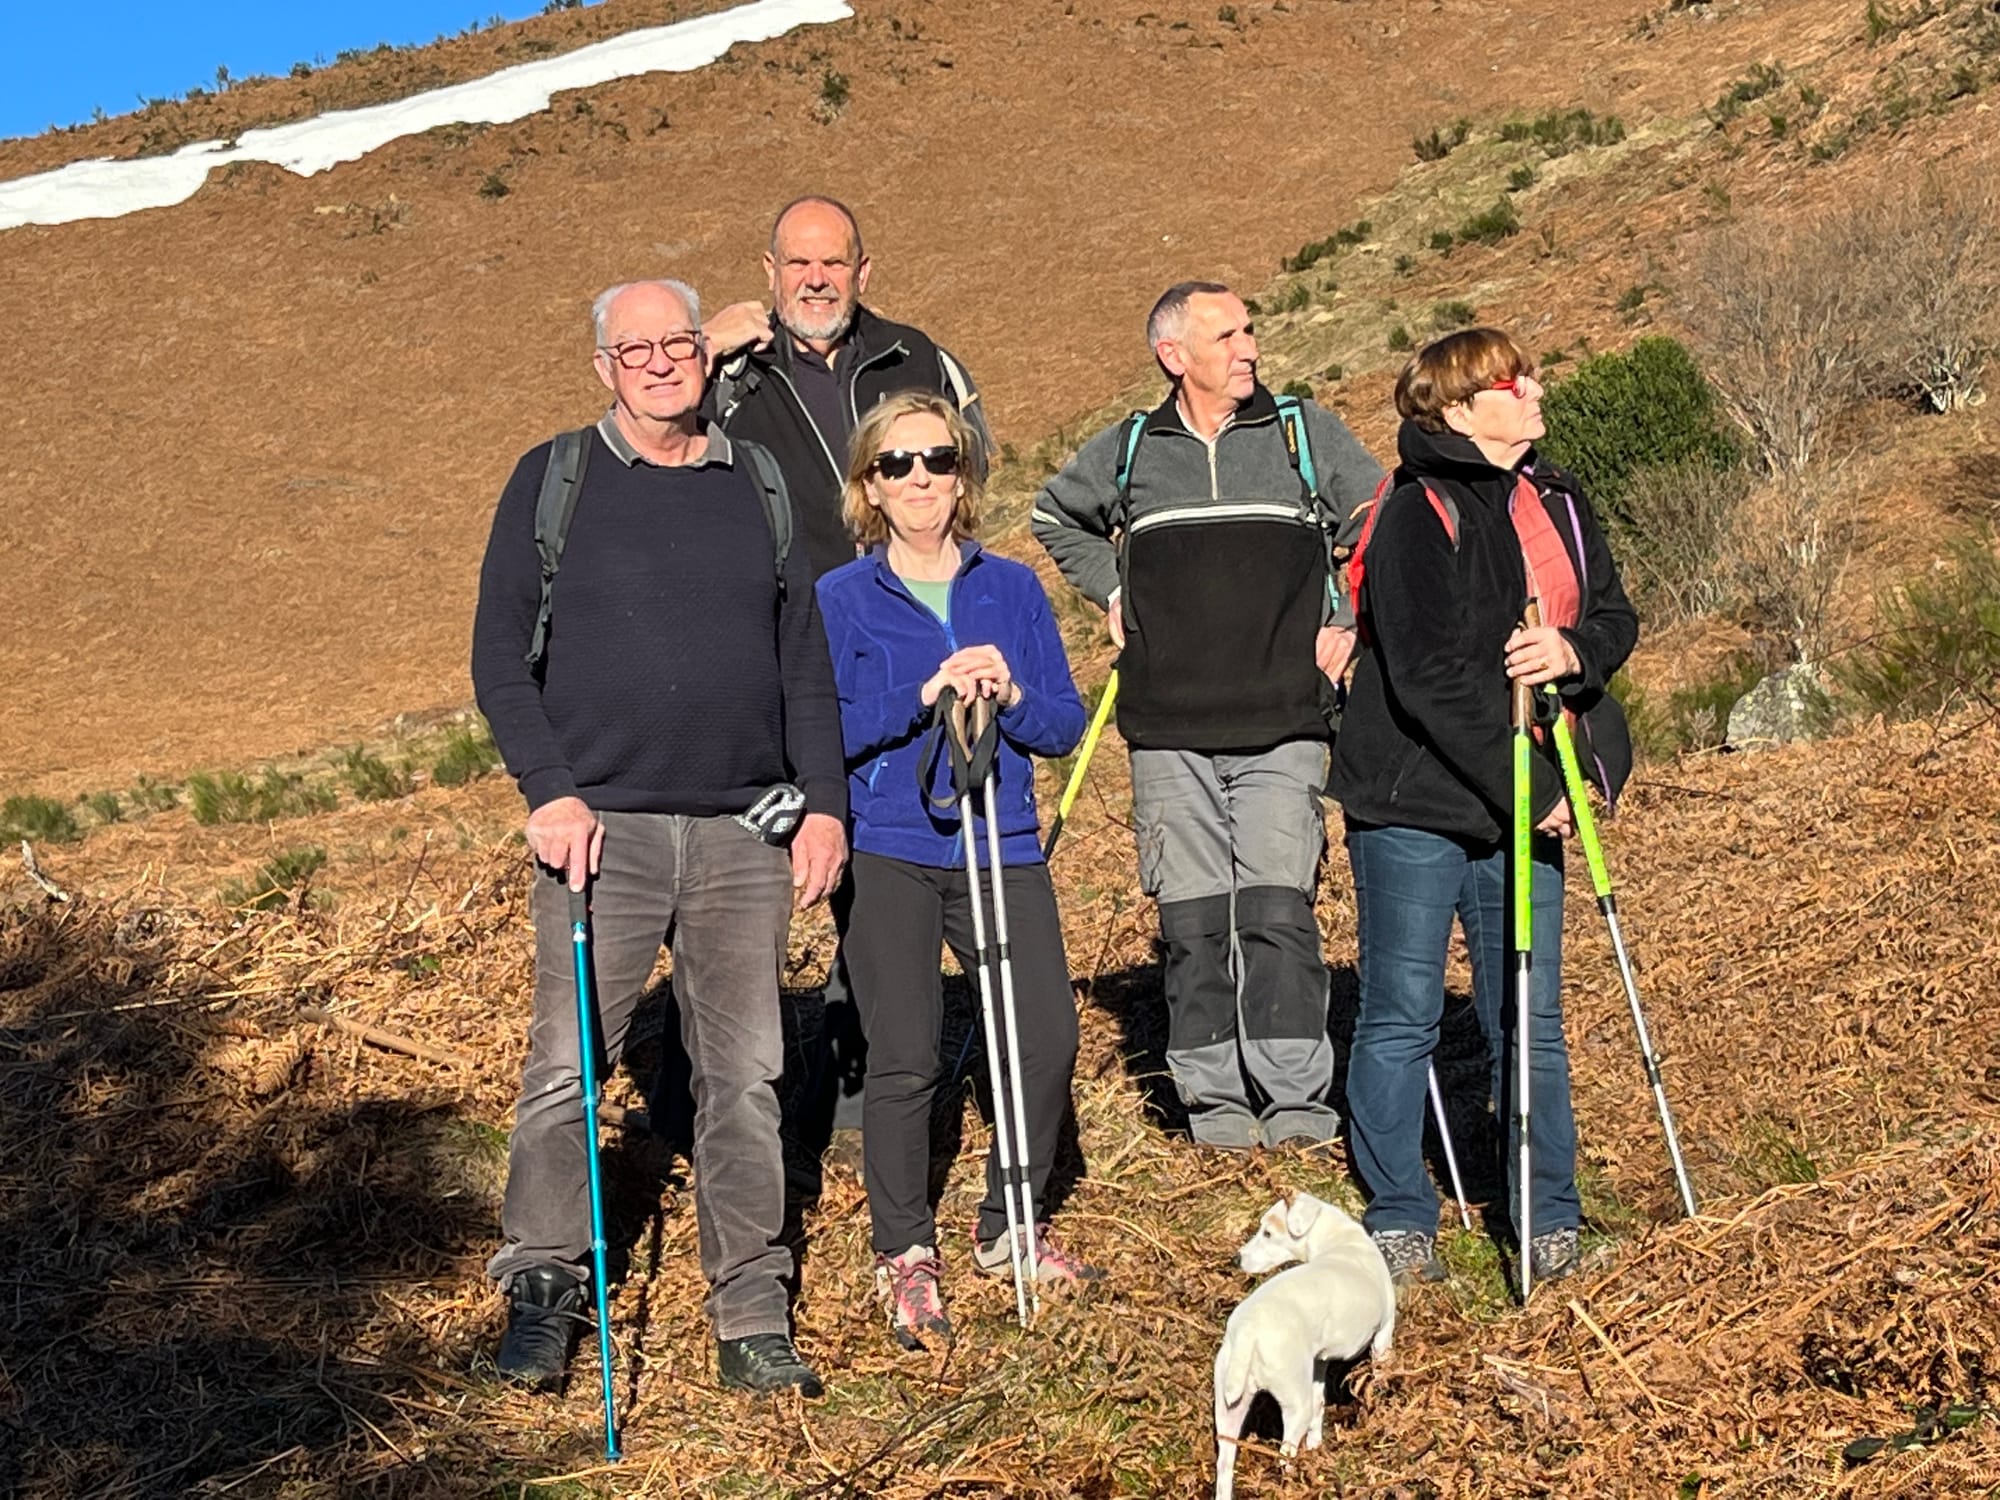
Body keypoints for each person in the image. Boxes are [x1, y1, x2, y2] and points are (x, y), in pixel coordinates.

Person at [470, 279, 847, 1397]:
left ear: (703, 354)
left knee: (743, 1077)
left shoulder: (760, 482)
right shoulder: (554, 479)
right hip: (600, 833)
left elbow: (803, 662)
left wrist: (818, 801)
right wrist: (549, 790)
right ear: (602, 368)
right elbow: (499, 657)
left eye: (675, 343)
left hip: (743, 830)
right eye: (632, 350)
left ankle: (750, 1310)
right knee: (564, 1069)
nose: (658, 363)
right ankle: (542, 1287)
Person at [1032, 281, 1383, 1151]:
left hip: (1287, 724)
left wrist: (1348, 615)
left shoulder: (1305, 436)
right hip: (1168, 734)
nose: (1250, 348)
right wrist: (1114, 589)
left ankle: (1298, 1114)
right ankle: (1217, 1116)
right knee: (1192, 927)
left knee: (1279, 915)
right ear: (1174, 354)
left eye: (1250, 331)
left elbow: (1383, 520)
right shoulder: (1129, 451)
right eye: (1228, 334)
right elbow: (1053, 515)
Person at [1327, 327, 1637, 1288]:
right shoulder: (1418, 510)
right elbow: (1426, 679)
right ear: (1459, 411)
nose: (1534, 389)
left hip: (1521, 798)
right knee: (1401, 1018)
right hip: (1414, 802)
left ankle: (1548, 1217)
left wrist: (1573, 652)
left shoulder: (1557, 499)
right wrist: (1534, 792)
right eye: (1512, 381)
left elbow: (1616, 615)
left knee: (1528, 1019)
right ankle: (1399, 1217)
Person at [702, 195, 993, 1167]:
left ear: (863, 271)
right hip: (778, 653)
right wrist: (702, 353)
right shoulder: (731, 379)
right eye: (797, 265)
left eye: (833, 263)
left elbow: (974, 473)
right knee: (785, 856)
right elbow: (659, 457)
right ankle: (732, 1092)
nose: (815, 280)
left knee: (884, 852)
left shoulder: (919, 359)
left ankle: (867, 1079)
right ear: (768, 270)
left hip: (908, 644)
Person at [815, 390, 1097, 1350]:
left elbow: (1064, 723)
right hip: (891, 845)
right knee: (903, 1052)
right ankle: (905, 1251)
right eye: (898, 465)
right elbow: (822, 733)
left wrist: (1011, 691)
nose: (921, 478)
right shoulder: (840, 599)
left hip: (998, 842)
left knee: (1043, 1035)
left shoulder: (1011, 589)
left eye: (938, 459)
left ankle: (1008, 1223)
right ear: (869, 486)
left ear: (964, 474)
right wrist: (922, 690)